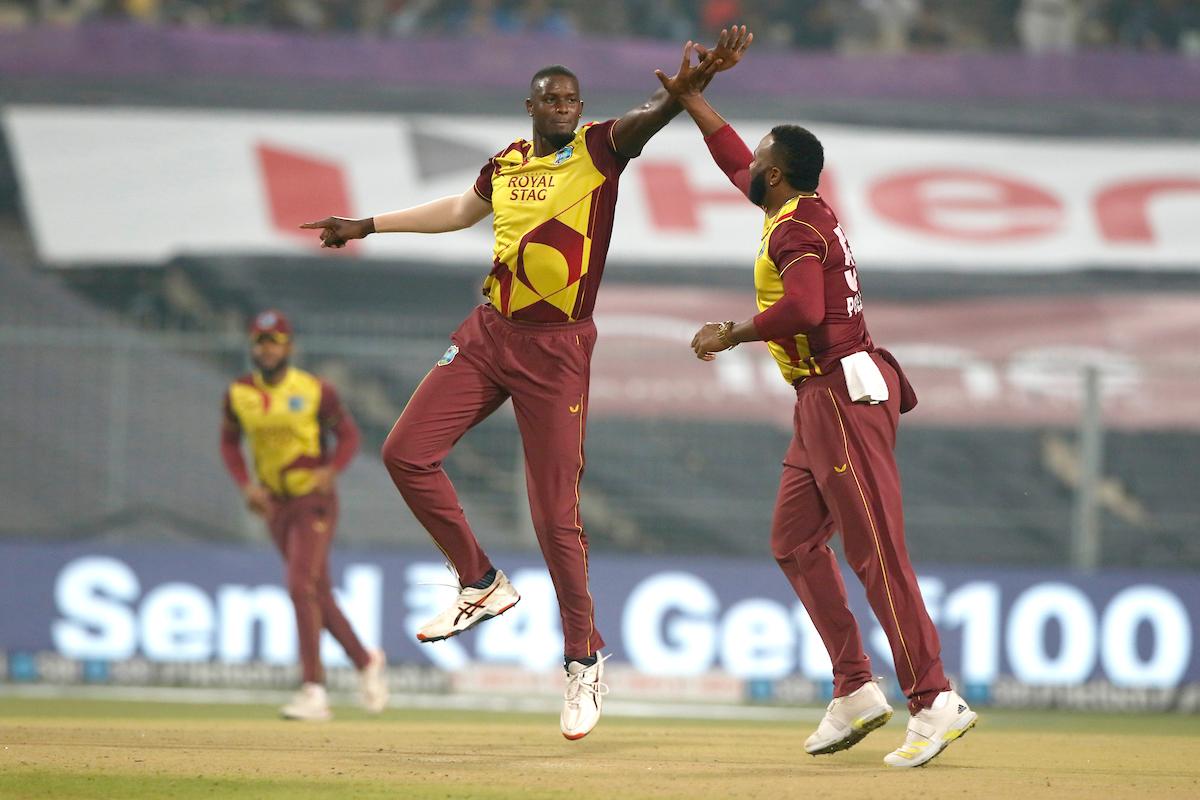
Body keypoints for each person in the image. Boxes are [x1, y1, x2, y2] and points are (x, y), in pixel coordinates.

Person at [300, 28, 751, 740]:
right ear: (531, 105)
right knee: (404, 453)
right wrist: (366, 225)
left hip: (557, 352)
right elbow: (460, 211)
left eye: (573, 97)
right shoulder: (507, 164)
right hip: (489, 334)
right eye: (553, 98)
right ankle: (479, 583)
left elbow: (644, 123)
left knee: (553, 518)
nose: (565, 106)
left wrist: (684, 95)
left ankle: (583, 659)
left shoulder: (600, 149)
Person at [655, 46, 977, 767]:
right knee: (794, 541)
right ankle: (857, 689)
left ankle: (934, 698)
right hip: (823, 396)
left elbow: (802, 307)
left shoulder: (793, 228)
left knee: (875, 551)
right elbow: (736, 159)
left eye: (758, 162)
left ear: (774, 174)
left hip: (839, 392)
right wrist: (691, 100)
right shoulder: (801, 208)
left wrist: (731, 333)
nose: (748, 169)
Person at [220, 309, 388, 721]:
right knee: (317, 593)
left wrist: (330, 472)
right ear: (252, 346)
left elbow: (348, 435)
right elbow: (228, 444)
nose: (267, 348)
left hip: (312, 501)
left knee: (300, 585)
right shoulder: (239, 393)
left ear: (289, 346)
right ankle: (366, 661)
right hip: (275, 504)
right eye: (260, 341)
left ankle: (313, 690)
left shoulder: (314, 390)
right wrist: (247, 485)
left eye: (275, 340)